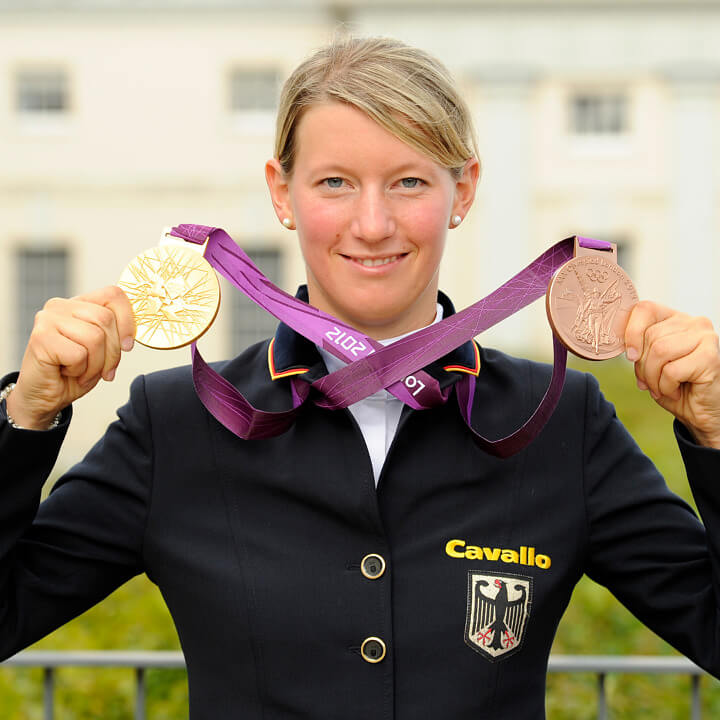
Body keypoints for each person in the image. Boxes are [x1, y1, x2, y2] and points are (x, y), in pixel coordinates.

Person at [2, 36, 720, 719]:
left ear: (462, 190)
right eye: (335, 183)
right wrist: (22, 419)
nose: (372, 225)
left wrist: (718, 434)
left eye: (408, 181)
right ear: (281, 194)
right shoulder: (177, 423)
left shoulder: (561, 419)